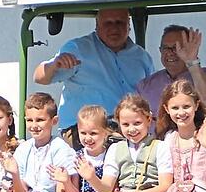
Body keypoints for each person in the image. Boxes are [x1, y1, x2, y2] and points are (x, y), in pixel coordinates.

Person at [33, 9, 154, 144]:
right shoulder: (78, 49)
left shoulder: (141, 56)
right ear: (97, 25)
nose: (114, 28)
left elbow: (150, 94)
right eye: (108, 23)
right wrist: (54, 65)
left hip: (127, 126)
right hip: (83, 129)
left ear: (128, 25)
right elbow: (40, 77)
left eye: (119, 23)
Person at [84, 95, 173, 192]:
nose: (132, 129)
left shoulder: (160, 147)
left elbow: (165, 185)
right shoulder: (115, 149)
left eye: (137, 123)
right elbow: (106, 188)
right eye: (125, 125)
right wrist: (91, 177)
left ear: (149, 120)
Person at [0, 93, 77, 192]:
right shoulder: (24, 148)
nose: (34, 125)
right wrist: (15, 174)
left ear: (54, 121)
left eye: (40, 120)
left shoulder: (60, 149)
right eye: (29, 120)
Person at [136, 25, 206, 123]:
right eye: (166, 48)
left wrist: (192, 61)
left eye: (177, 47)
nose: (171, 52)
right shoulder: (145, 86)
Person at [51, 105, 112, 192]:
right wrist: (66, 181)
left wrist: (91, 177)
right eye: (83, 133)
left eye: (93, 133)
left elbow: (111, 188)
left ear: (105, 132)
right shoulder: (77, 157)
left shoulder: (110, 156)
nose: (88, 138)